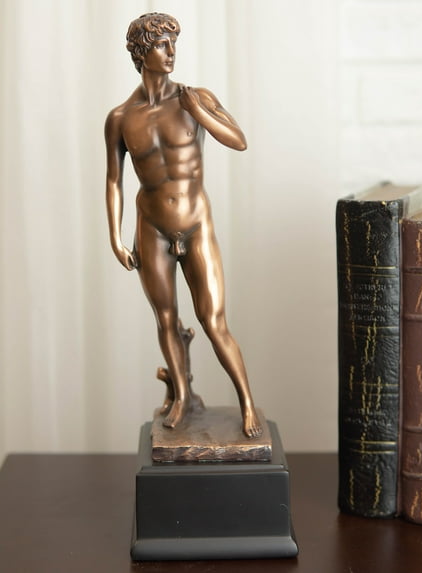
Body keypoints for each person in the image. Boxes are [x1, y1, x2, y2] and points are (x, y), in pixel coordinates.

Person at [105, 12, 262, 438]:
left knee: (213, 321)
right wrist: (115, 237)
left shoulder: (195, 97)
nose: (172, 52)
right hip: (151, 226)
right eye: (162, 45)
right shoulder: (121, 117)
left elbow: (239, 141)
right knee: (166, 318)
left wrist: (199, 113)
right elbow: (114, 180)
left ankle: (247, 402)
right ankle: (180, 398)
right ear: (142, 53)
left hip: (195, 223)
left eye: (174, 43)